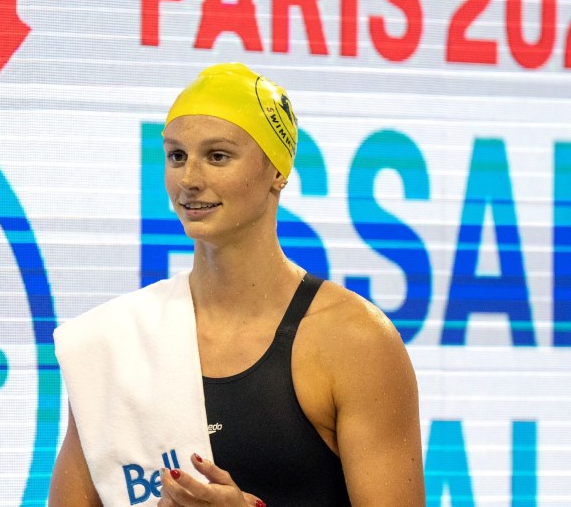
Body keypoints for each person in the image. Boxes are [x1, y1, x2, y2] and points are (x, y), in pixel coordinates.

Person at [49, 63, 424, 506]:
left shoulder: (352, 341)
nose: (189, 179)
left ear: (277, 173)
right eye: (176, 156)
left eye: (218, 156)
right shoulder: (115, 344)